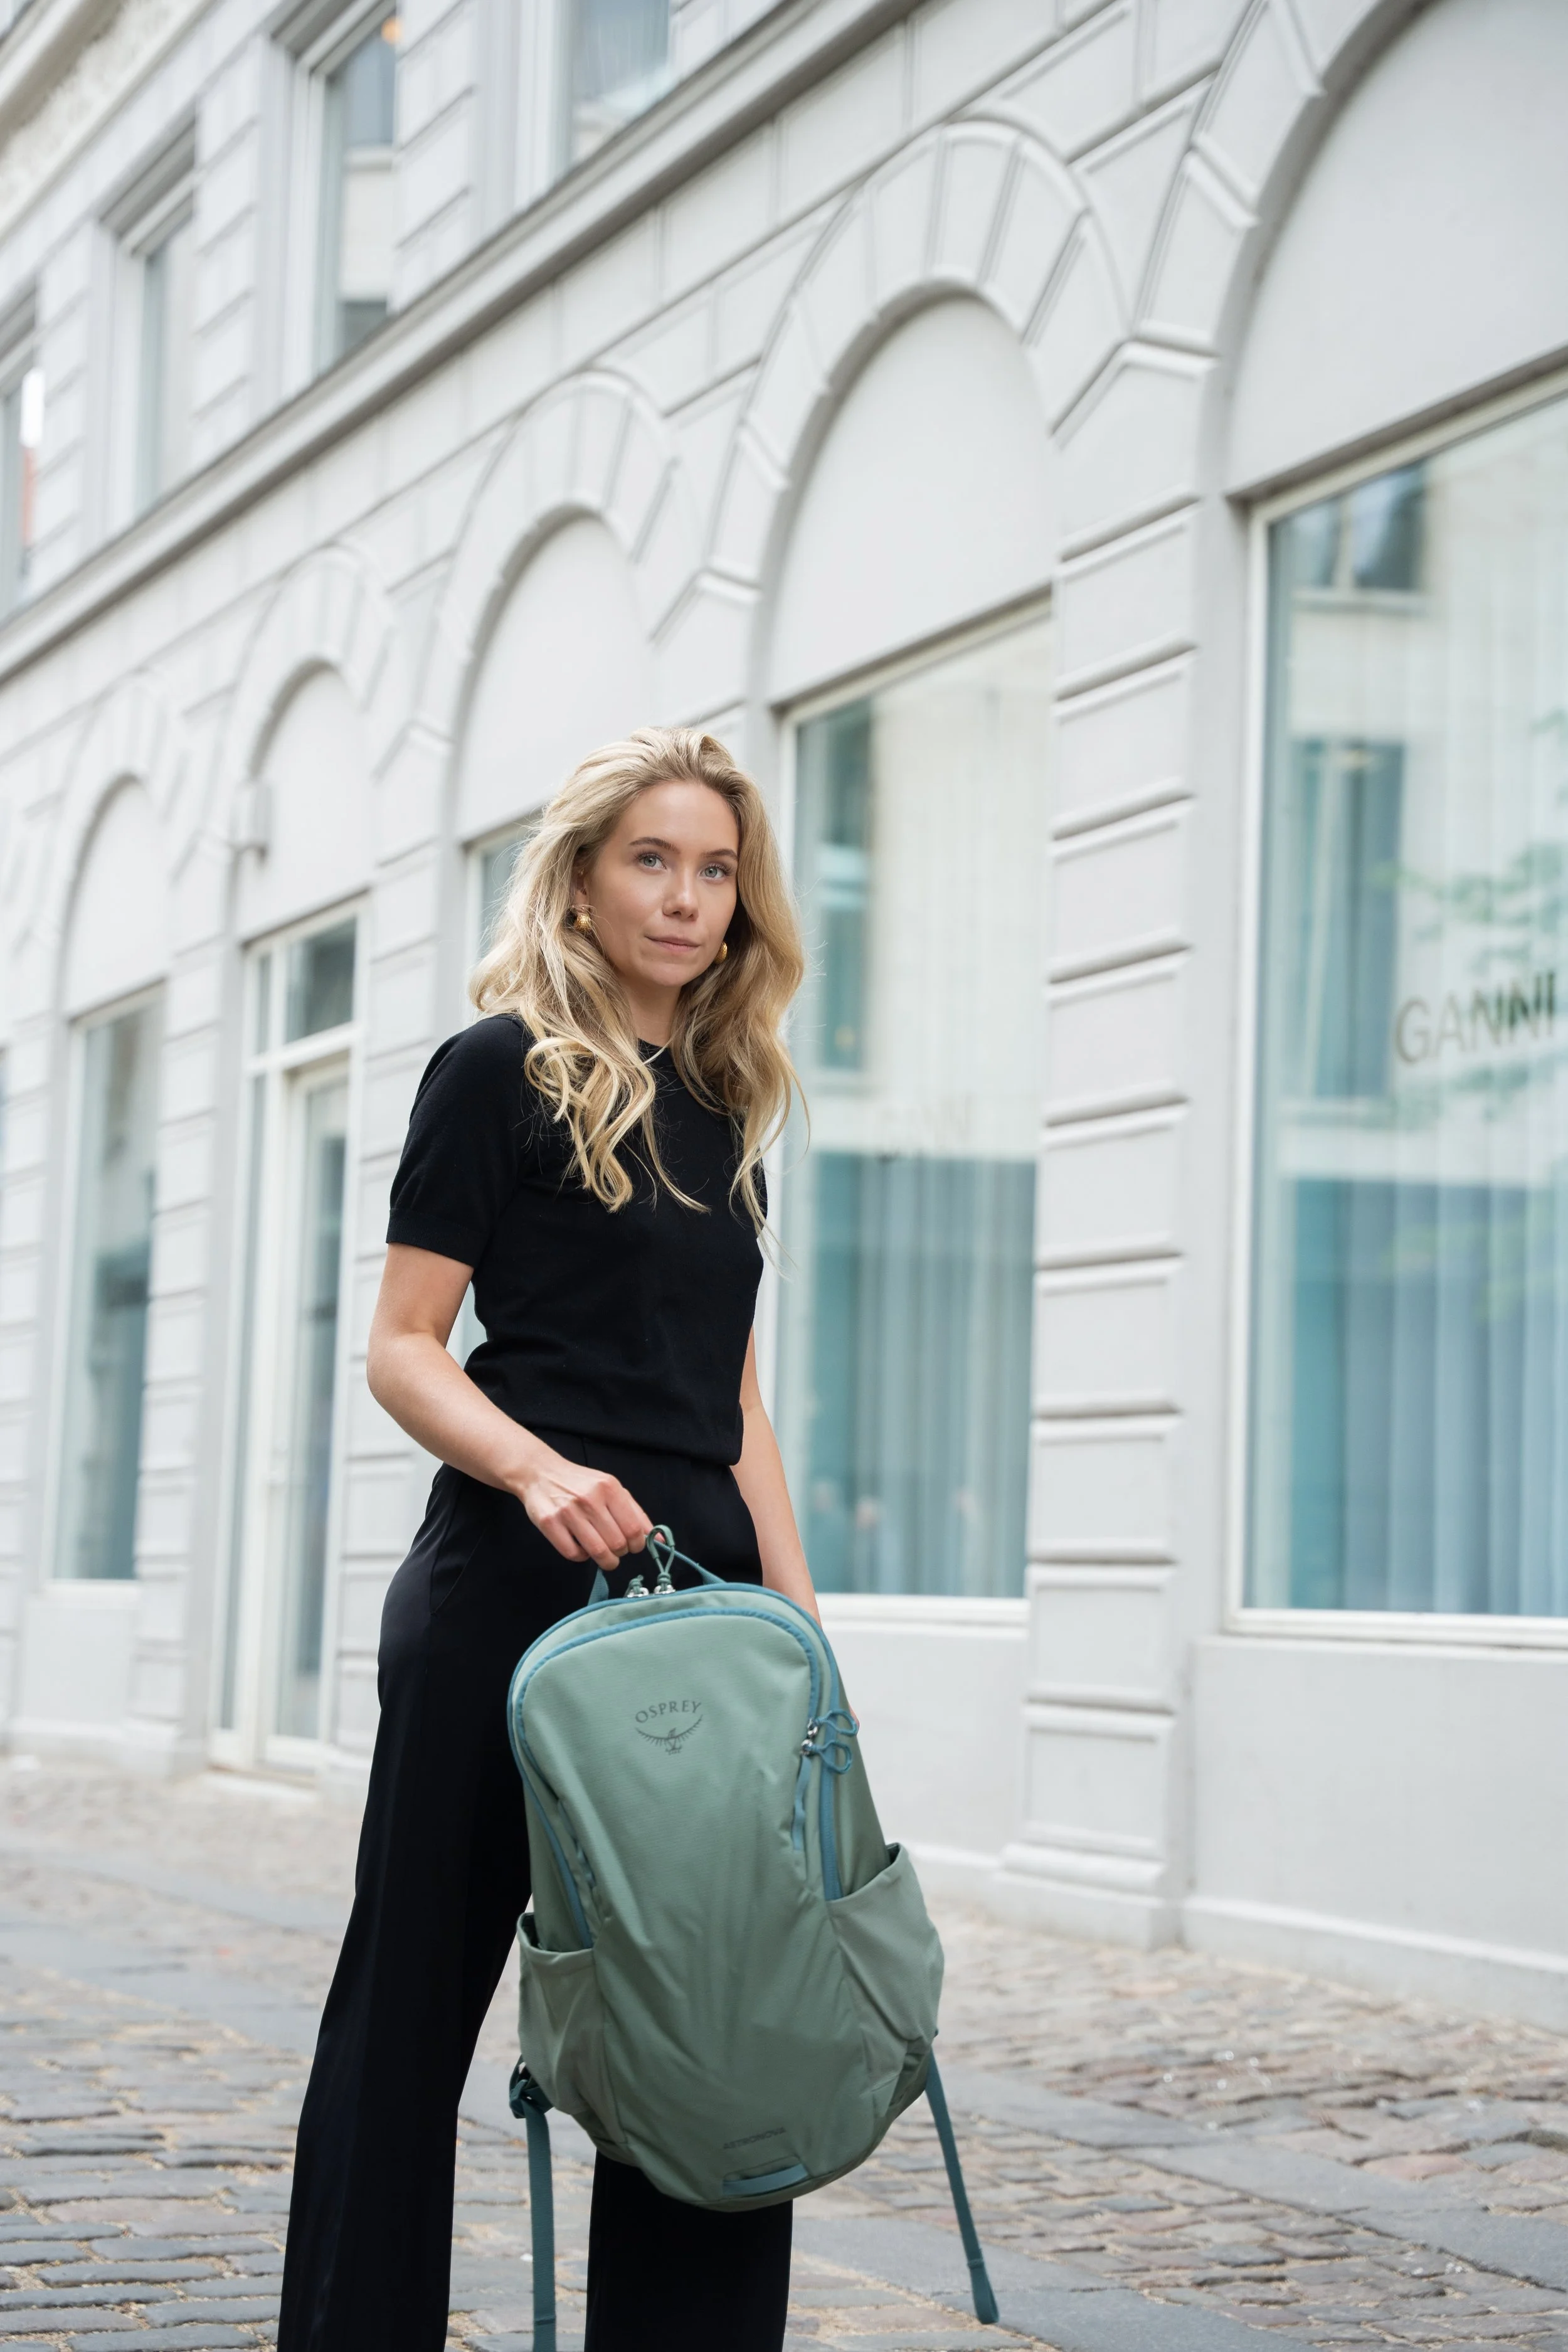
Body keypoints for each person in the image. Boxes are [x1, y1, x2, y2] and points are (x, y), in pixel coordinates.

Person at [277, 728, 819, 2352]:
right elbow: (401, 1343)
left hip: (697, 1615)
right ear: (581, 878)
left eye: (715, 867)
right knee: (412, 2008)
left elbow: (728, 1388)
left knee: (705, 2012)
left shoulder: (728, 1101)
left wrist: (792, 1611)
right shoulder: (494, 1067)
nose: (686, 895)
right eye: (650, 858)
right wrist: (538, 1468)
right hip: (507, 1596)